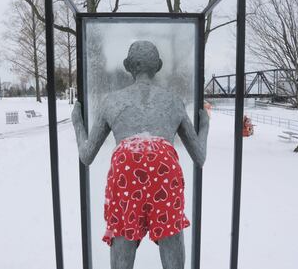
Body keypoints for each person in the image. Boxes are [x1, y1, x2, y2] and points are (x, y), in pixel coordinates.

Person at [72, 40, 209, 269]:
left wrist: (77, 123)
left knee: (123, 247)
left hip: (127, 172)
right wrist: (204, 126)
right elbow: (200, 155)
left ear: (128, 66)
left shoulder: (112, 101)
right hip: (164, 172)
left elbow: (86, 155)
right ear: (158, 66)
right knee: (171, 243)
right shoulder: (173, 101)